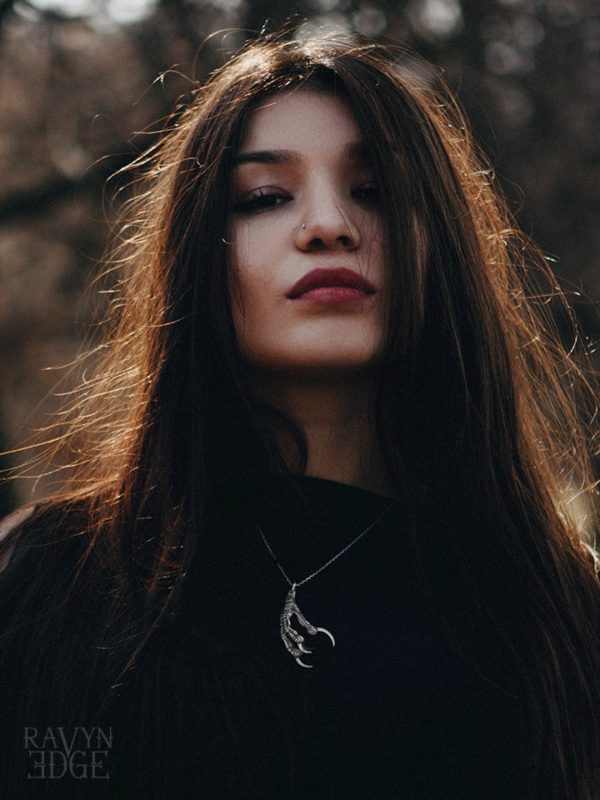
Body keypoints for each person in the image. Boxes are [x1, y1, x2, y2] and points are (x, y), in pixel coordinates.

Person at [0, 32, 598, 800]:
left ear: (438, 248)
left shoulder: (552, 614)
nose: (328, 225)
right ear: (196, 258)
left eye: (375, 190)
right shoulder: (51, 581)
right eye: (264, 198)